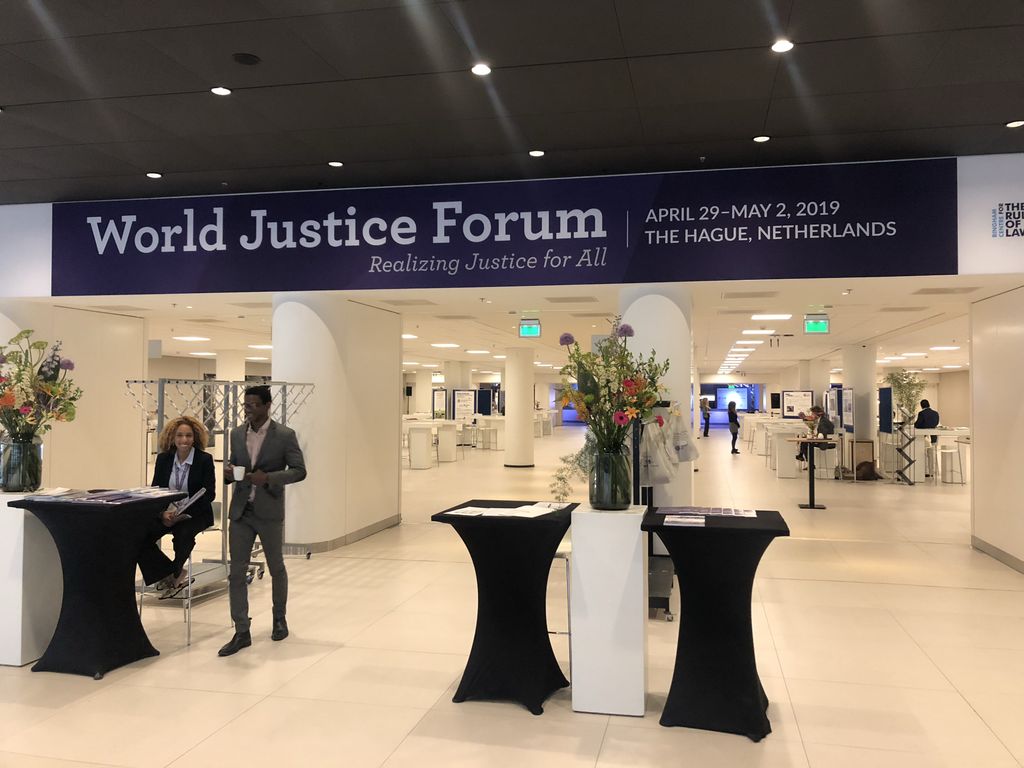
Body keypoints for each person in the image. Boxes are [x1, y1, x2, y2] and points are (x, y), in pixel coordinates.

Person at [218, 385, 307, 657]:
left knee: (276, 567)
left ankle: (279, 618)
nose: (248, 409)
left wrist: (268, 478)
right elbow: (234, 463)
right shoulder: (236, 434)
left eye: (254, 405)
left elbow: (299, 471)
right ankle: (241, 630)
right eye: (246, 405)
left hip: (268, 511)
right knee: (236, 572)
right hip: (241, 512)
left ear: (268, 406)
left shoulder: (285, 435)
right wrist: (229, 473)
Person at [138, 415, 216, 598]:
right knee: (140, 535)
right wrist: (162, 513)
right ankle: (167, 573)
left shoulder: (204, 460)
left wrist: (183, 514)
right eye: (180, 435)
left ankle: (176, 573)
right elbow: (156, 491)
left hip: (196, 513)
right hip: (168, 513)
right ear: (172, 437)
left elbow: (209, 494)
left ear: (195, 438)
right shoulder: (164, 459)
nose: (184, 440)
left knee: (183, 534)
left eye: (188, 435)